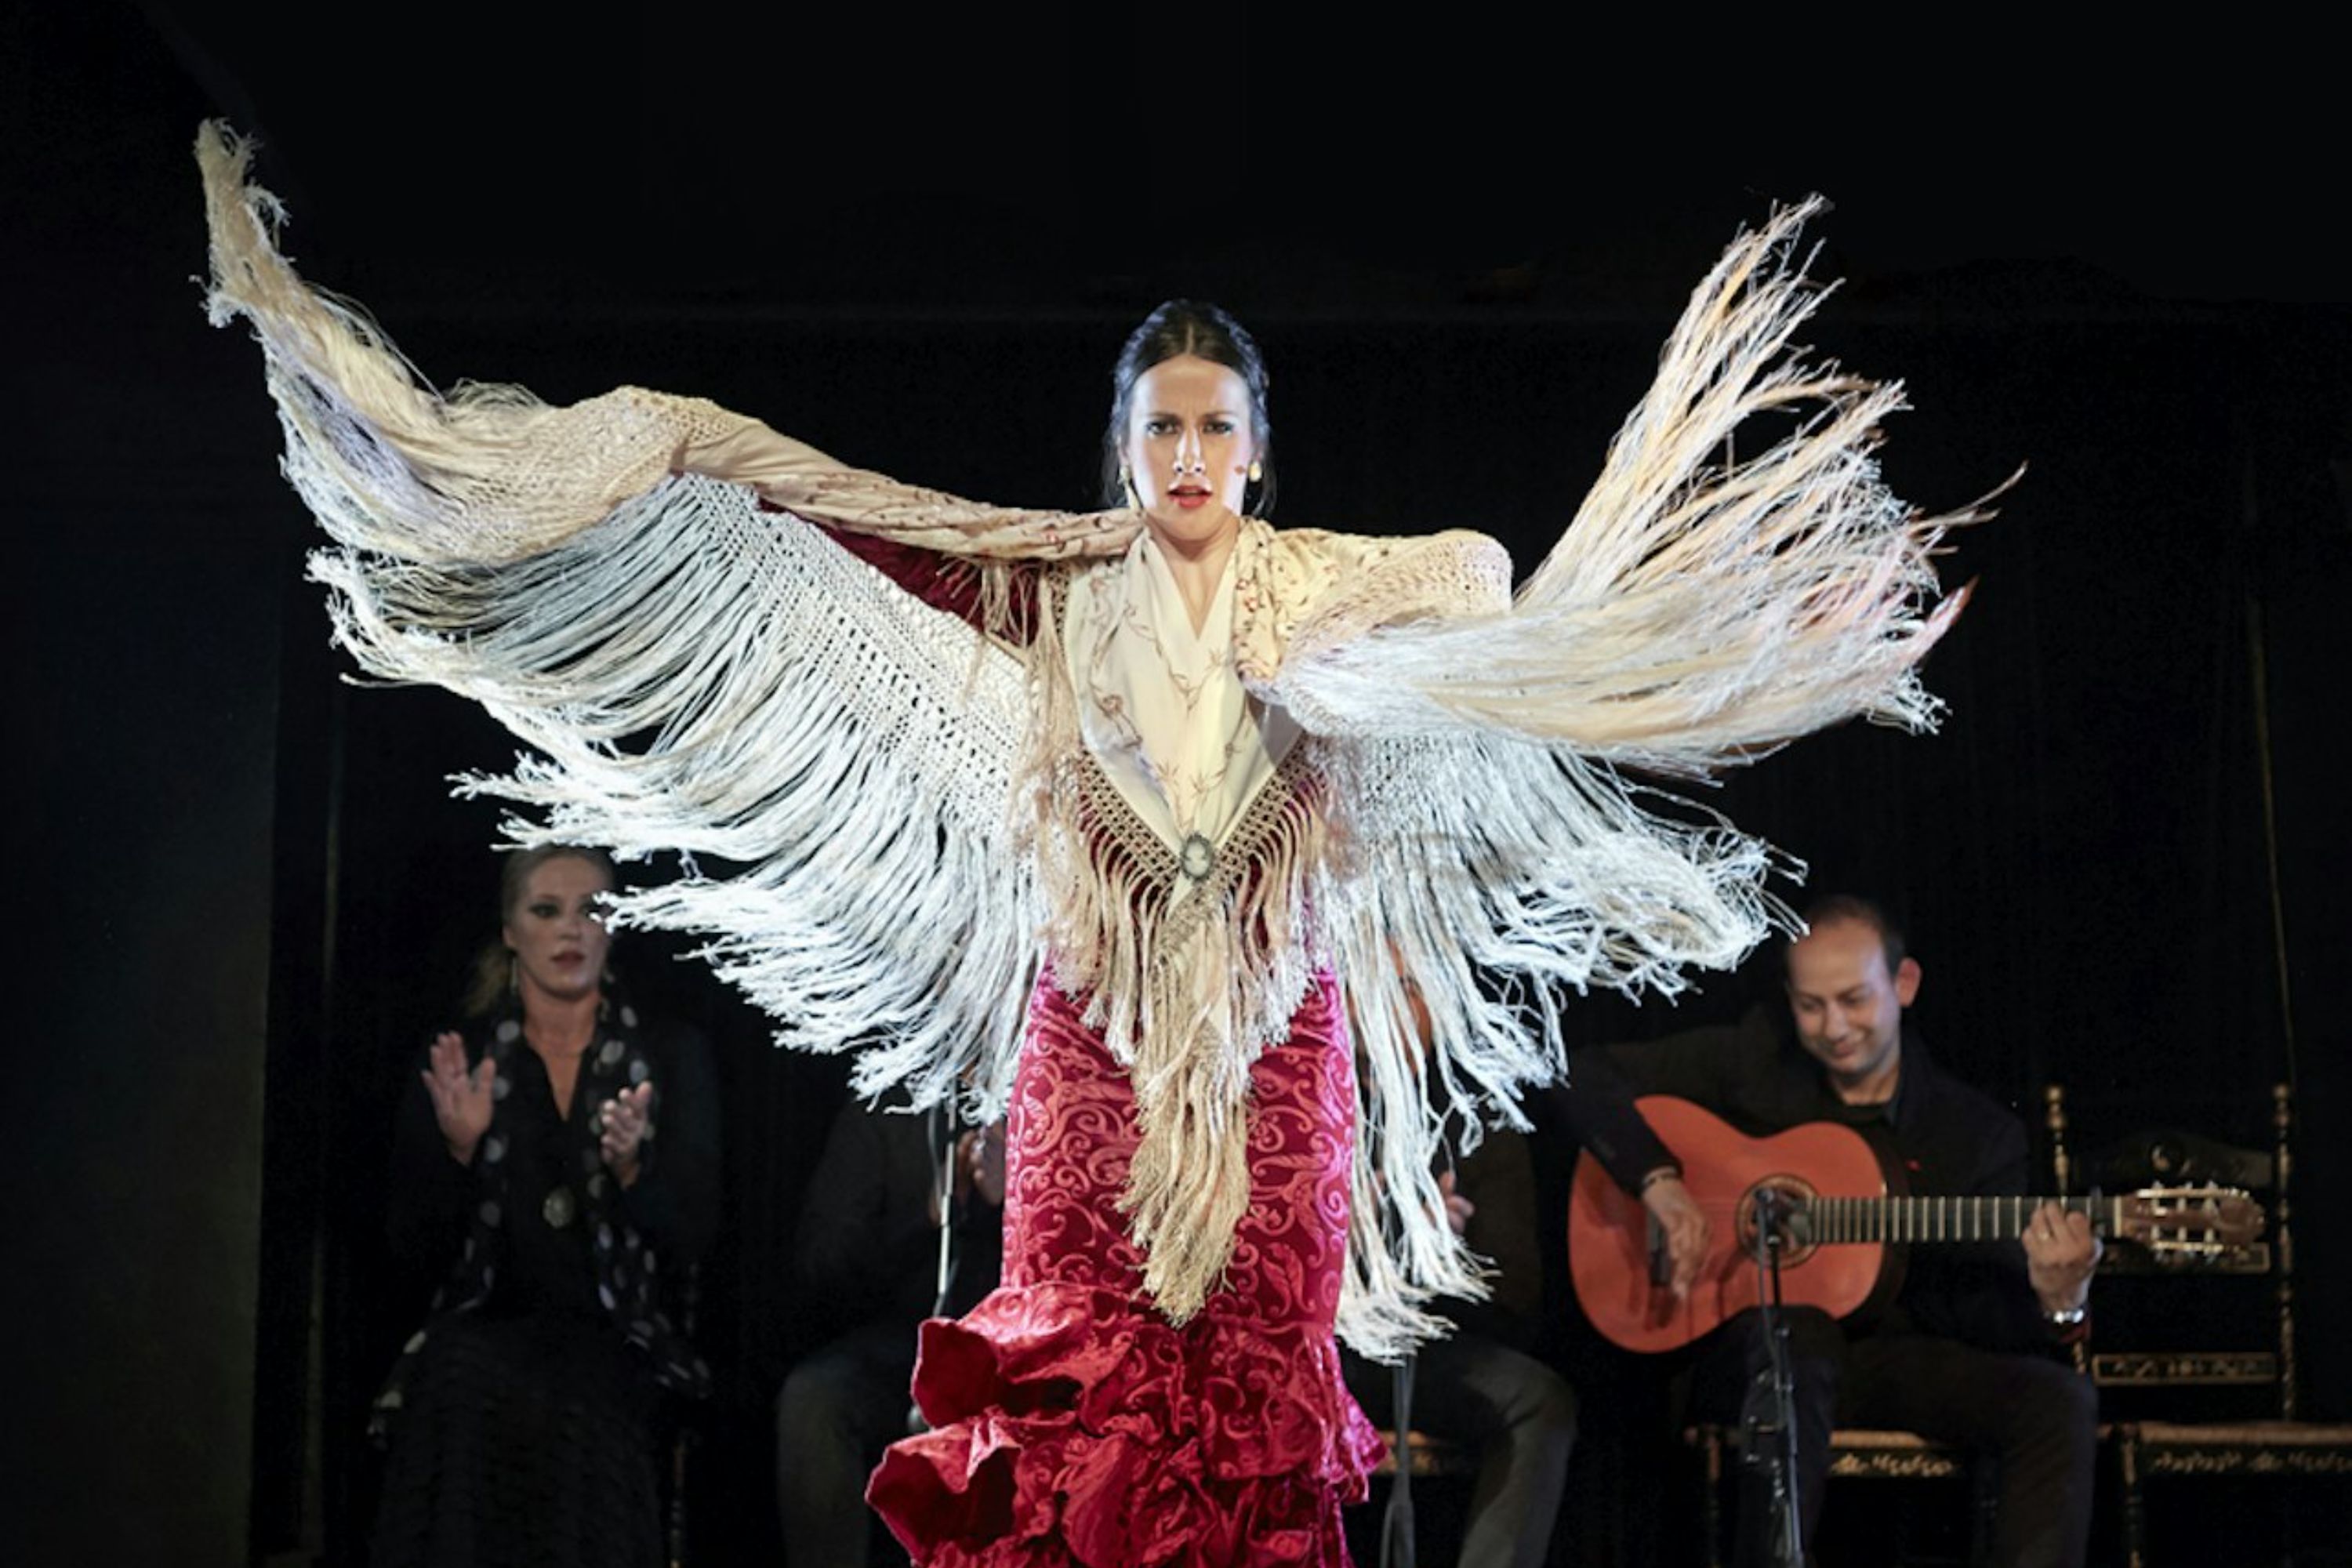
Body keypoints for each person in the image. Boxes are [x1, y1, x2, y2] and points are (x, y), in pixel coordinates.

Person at [202, 123, 1979, 1565]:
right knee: (1081, 1416)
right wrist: (667, 452)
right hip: (1089, 1057)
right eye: (1161, 425)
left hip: (1278, 1059)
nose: (1189, 449)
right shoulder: (1040, 594)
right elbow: (829, 516)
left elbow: (1473, 574)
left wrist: (1309, 635)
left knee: (1254, 1421)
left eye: (1216, 423)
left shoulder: (1324, 590)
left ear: (1257, 446)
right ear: (1120, 450)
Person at [1555, 895, 2100, 1568]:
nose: (1834, 1027)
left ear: (1904, 986)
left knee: (2060, 1403)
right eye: (1811, 1005)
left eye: (1854, 1000)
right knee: (1796, 1332)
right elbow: (1581, 1073)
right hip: (1746, 1351)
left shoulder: (1977, 1135)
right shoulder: (1755, 1062)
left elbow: (1994, 1321)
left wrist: (2060, 1300)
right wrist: (1658, 1180)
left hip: (1895, 1358)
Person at [374, 844, 720, 1568]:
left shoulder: (668, 1055)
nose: (572, 930)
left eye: (592, 909)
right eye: (546, 910)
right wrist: (460, 1153)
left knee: (585, 1392)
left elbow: (695, 1238)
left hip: (616, 1333)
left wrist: (634, 1171)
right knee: (464, 1376)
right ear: (510, 930)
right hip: (487, 1325)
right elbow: (408, 1251)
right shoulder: (465, 1059)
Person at [776, 1095, 1004, 1566]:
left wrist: (1017, 1199)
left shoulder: (1048, 1085)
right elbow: (824, 1266)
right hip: (903, 1348)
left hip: (1018, 1352)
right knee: (813, 1400)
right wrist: (928, 1217)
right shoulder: (890, 1104)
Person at [1340, 1132, 1577, 1568]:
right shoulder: (1309, 1088)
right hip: (1322, 1348)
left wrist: (1439, 1256)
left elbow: (1517, 1294)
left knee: (1540, 1401)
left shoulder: (1476, 1108)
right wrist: (1340, 1240)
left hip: (1428, 1346)